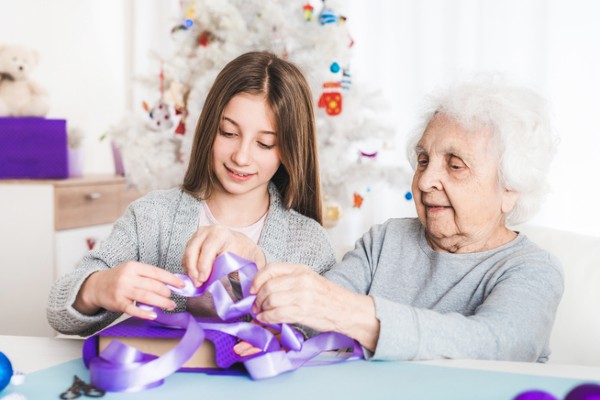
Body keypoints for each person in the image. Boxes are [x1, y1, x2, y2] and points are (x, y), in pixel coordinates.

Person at [187, 78, 564, 362]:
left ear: (510, 188)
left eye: (454, 165)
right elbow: (310, 313)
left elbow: (499, 344)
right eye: (422, 160)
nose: (426, 180)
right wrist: (250, 268)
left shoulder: (532, 270)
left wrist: (353, 314)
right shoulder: (386, 241)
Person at [47, 51, 336, 336]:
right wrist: (97, 288)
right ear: (210, 128)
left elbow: (329, 337)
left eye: (264, 143)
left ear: (288, 151)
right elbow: (59, 312)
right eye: (228, 132)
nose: (242, 156)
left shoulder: (310, 244)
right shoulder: (152, 216)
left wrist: (258, 264)